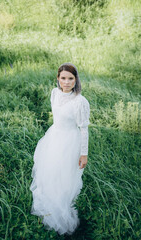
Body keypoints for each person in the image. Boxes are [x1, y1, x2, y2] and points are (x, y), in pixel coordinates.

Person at [30, 62, 90, 235]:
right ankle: (48, 205)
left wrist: (83, 154)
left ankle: (62, 211)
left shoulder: (80, 102)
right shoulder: (54, 93)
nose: (66, 82)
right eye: (63, 78)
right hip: (54, 137)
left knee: (65, 176)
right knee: (49, 171)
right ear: (58, 79)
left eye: (70, 78)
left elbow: (83, 129)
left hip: (70, 141)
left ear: (76, 80)